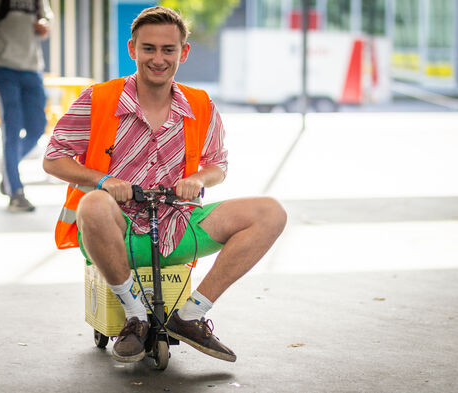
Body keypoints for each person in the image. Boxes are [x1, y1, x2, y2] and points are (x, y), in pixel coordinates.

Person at [43, 6, 287, 363]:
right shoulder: (99, 99)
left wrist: (198, 179)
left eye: (168, 49)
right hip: (116, 234)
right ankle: (135, 317)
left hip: (177, 228)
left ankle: (189, 317)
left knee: (270, 212)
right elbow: (53, 158)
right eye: (149, 49)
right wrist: (104, 181)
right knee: (92, 203)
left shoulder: (201, 104)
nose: (158, 59)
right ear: (133, 50)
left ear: (183, 52)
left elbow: (218, 165)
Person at [0, 0, 52, 212]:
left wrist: (43, 24)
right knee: (12, 127)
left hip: (32, 68)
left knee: (37, 127)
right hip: (2, 67)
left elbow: (46, 19)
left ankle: (9, 166)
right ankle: (15, 192)